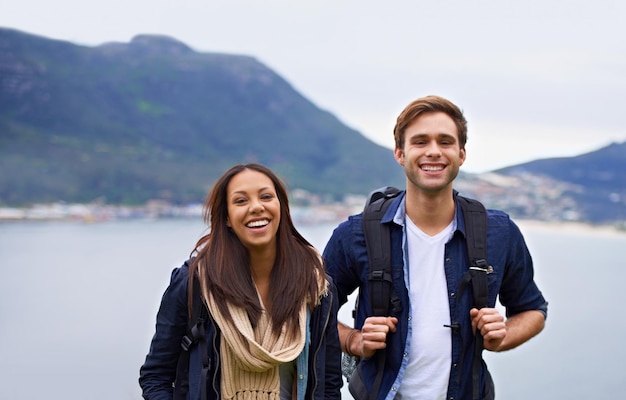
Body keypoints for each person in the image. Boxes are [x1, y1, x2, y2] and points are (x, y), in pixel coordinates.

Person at [323, 95, 548, 400]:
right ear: (400, 153)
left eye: (445, 142)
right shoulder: (356, 233)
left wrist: (503, 336)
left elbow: (532, 310)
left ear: (461, 154)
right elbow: (311, 311)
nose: (433, 152)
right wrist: (352, 339)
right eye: (420, 142)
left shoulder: (499, 232)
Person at [139, 163, 342, 400]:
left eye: (266, 196)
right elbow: (156, 377)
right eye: (241, 201)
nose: (256, 207)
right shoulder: (195, 284)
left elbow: (329, 384)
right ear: (226, 217)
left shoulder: (315, 288)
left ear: (281, 207)